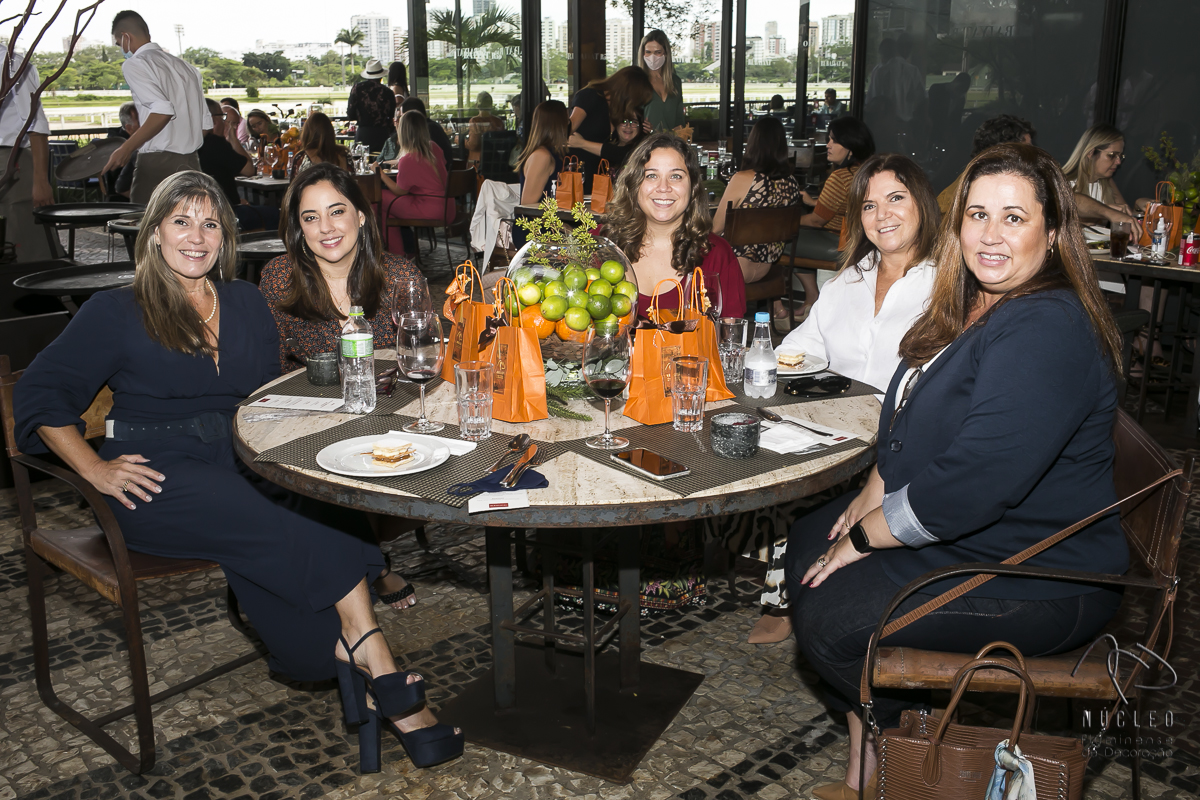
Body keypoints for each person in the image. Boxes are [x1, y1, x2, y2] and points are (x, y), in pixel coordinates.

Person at [12, 170, 463, 769]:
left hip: (241, 454)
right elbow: (39, 396)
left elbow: (271, 390)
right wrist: (93, 467)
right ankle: (378, 664)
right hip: (155, 470)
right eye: (181, 222)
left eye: (210, 224)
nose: (196, 237)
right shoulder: (116, 309)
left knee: (321, 508)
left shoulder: (247, 301)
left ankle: (348, 652)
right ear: (154, 233)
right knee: (277, 513)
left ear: (225, 237)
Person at [785, 143, 1125, 799]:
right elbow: (911, 416)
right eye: (977, 214)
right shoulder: (975, 300)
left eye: (1014, 218)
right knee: (809, 540)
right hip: (984, 535)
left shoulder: (1046, 327)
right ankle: (872, 766)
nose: (990, 235)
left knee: (832, 622)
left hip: (1041, 569)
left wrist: (865, 538)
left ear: (1054, 232)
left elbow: (974, 482)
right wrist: (871, 490)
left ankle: (898, 760)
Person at [748, 154, 939, 645]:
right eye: (869, 206)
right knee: (757, 448)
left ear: (921, 204)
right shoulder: (847, 281)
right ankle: (787, 581)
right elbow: (801, 347)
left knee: (806, 480)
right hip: (835, 425)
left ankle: (793, 595)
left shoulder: (946, 286)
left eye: (896, 199)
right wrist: (762, 364)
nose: (882, 215)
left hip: (904, 438)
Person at [258, 163, 424, 610]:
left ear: (361, 216)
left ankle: (361, 568)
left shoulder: (400, 276)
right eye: (310, 217)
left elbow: (424, 359)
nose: (326, 228)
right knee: (312, 477)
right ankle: (375, 568)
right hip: (312, 420)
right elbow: (272, 368)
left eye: (337, 211)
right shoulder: (280, 278)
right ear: (299, 228)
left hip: (391, 418)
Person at [605, 133, 746, 319]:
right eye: (651, 175)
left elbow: (731, 331)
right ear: (634, 184)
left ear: (693, 187)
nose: (663, 187)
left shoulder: (716, 254)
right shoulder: (602, 247)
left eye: (676, 176)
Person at [102, 11, 209, 204]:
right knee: (186, 221)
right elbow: (205, 125)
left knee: (145, 221)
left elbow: (162, 111)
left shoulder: (135, 64)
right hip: (192, 164)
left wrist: (126, 148)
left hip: (157, 164)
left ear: (126, 37)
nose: (121, 49)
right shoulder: (188, 68)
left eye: (119, 43)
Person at [712, 116, 801, 324]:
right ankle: (777, 306)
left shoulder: (744, 179)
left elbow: (715, 228)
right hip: (767, 268)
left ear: (752, 143)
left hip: (734, 269)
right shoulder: (792, 183)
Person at [793, 116, 876, 311]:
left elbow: (816, 221)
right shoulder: (867, 171)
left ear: (850, 147)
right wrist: (814, 202)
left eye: (834, 140)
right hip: (861, 241)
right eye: (829, 139)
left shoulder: (840, 177)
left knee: (782, 240)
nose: (828, 145)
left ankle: (790, 303)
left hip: (839, 242)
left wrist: (785, 221)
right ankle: (812, 300)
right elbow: (848, 205)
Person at [0, 43, 55, 261]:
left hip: (12, 160)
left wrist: (40, 180)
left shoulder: (11, 63)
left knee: (24, 240)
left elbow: (36, 124)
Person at [376, 111, 453, 256]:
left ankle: (397, 254)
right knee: (387, 209)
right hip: (447, 207)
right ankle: (400, 253)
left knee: (377, 199)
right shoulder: (434, 147)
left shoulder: (408, 160)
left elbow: (400, 191)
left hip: (429, 209)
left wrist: (379, 173)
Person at [197, 98, 279, 234]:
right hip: (227, 213)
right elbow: (249, 170)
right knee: (277, 214)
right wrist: (233, 138)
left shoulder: (193, 143)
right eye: (223, 118)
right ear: (213, 119)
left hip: (209, 208)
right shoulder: (215, 144)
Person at [569, 66, 654, 192]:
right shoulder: (590, 96)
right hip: (579, 170)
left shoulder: (619, 108)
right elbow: (569, 130)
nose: (636, 103)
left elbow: (625, 152)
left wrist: (645, 130)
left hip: (600, 174)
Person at [937, 114, 1035, 213]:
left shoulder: (962, 189)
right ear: (1005, 155)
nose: (1033, 157)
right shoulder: (958, 201)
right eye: (1027, 151)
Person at [1063, 124, 1139, 242]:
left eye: (1120, 156)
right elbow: (1071, 201)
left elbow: (1126, 220)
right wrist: (1106, 212)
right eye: (1112, 155)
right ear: (1090, 152)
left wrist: (1138, 208)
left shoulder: (1106, 182)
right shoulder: (1064, 182)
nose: (1118, 162)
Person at [513, 101, 570, 249]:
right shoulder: (542, 156)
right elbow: (528, 205)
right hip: (535, 232)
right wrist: (564, 227)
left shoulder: (552, 153)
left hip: (546, 226)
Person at [638, 30, 686, 133]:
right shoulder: (637, 82)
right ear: (643, 53)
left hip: (671, 141)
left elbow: (680, 121)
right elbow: (632, 120)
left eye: (658, 52)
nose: (652, 57)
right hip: (646, 142)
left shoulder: (675, 82)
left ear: (666, 53)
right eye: (648, 52)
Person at [347, 59, 396, 153]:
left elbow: (350, 113)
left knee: (362, 159)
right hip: (382, 134)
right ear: (381, 76)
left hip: (363, 133)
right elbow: (391, 115)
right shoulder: (388, 92)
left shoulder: (357, 88)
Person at [397, 96, 453, 172]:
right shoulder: (433, 126)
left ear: (410, 116)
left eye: (401, 116)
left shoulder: (427, 130)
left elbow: (420, 161)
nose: (400, 121)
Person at [100, 101, 138, 201]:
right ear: (129, 128)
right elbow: (122, 188)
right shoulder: (123, 149)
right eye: (141, 122)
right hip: (123, 203)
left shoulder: (113, 141)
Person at [465, 91, 505, 165]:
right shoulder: (499, 121)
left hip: (478, 163)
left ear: (477, 105)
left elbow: (473, 145)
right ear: (491, 105)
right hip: (495, 162)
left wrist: (459, 140)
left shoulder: (475, 121)